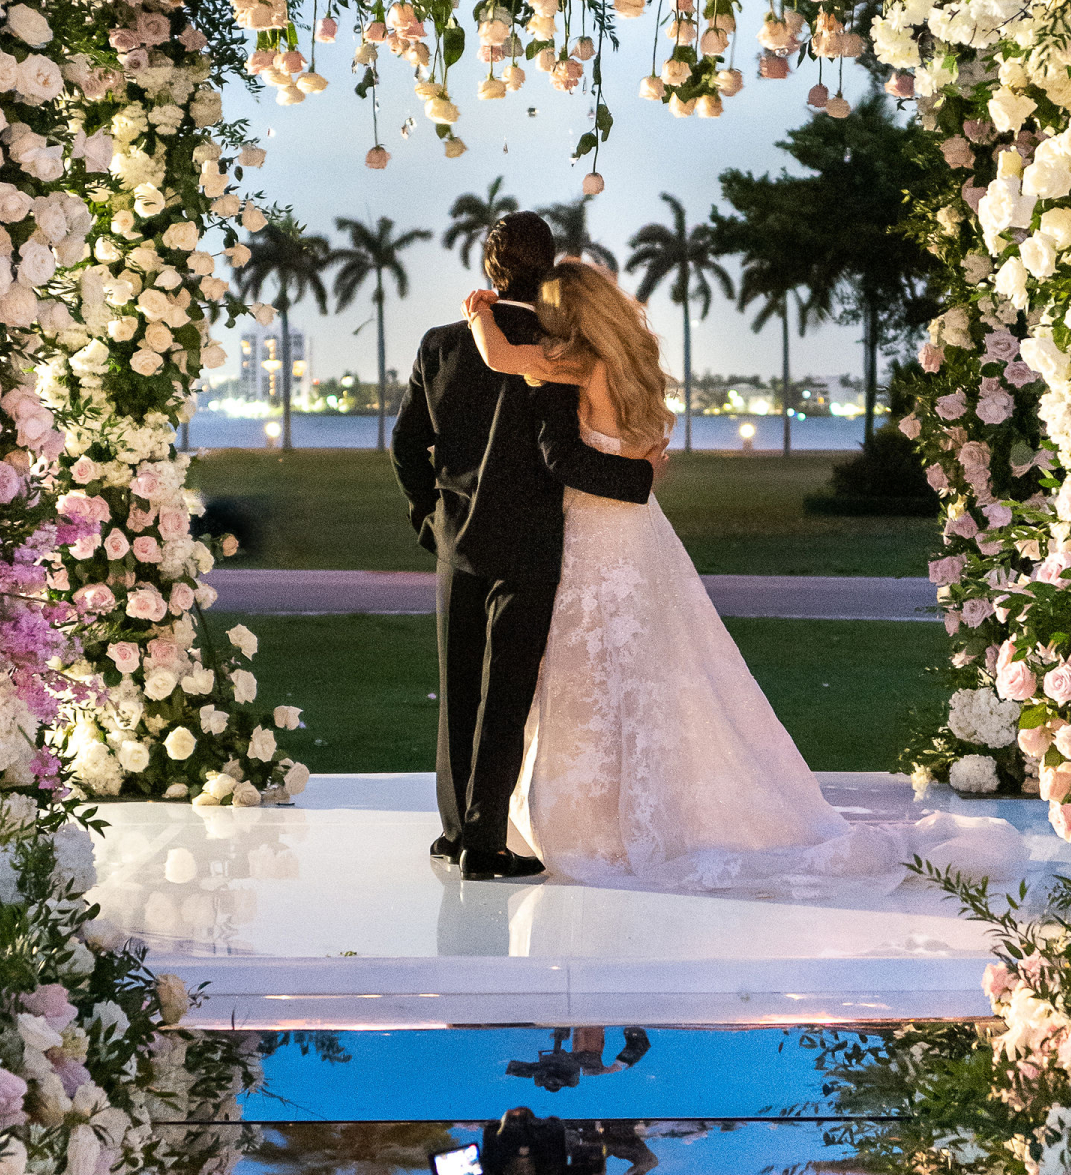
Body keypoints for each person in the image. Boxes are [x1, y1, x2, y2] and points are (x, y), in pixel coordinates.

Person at [463, 255, 1024, 900]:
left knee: (593, 669)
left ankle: (599, 824)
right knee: (658, 669)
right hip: (641, 538)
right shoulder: (629, 367)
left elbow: (507, 365)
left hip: (596, 538)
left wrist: (480, 314)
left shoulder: (577, 367)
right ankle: (655, 808)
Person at [391, 211, 657, 880]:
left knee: (457, 689)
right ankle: (485, 842)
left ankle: (454, 832)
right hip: (527, 544)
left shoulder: (441, 343)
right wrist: (639, 476)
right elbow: (558, 456)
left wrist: (429, 517)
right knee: (503, 693)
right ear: (546, 268)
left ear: (490, 269)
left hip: (457, 544)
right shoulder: (557, 350)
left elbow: (405, 443)